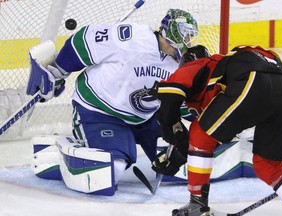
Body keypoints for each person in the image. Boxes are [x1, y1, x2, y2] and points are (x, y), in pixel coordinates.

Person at [26, 9, 199, 192]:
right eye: (185, 36)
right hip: (99, 111)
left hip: (146, 117)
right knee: (111, 170)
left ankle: (125, 141)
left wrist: (207, 121)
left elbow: (182, 102)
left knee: (181, 163)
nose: (188, 43)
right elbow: (83, 41)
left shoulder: (180, 64)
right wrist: (58, 71)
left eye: (191, 38)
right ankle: (58, 156)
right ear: (170, 32)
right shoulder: (131, 37)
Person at [152, 44, 282, 215]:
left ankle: (197, 205)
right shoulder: (220, 79)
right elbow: (213, 135)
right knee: (269, 165)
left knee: (199, 133)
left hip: (253, 76)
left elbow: (168, 101)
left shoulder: (198, 65)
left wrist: (172, 135)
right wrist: (180, 154)